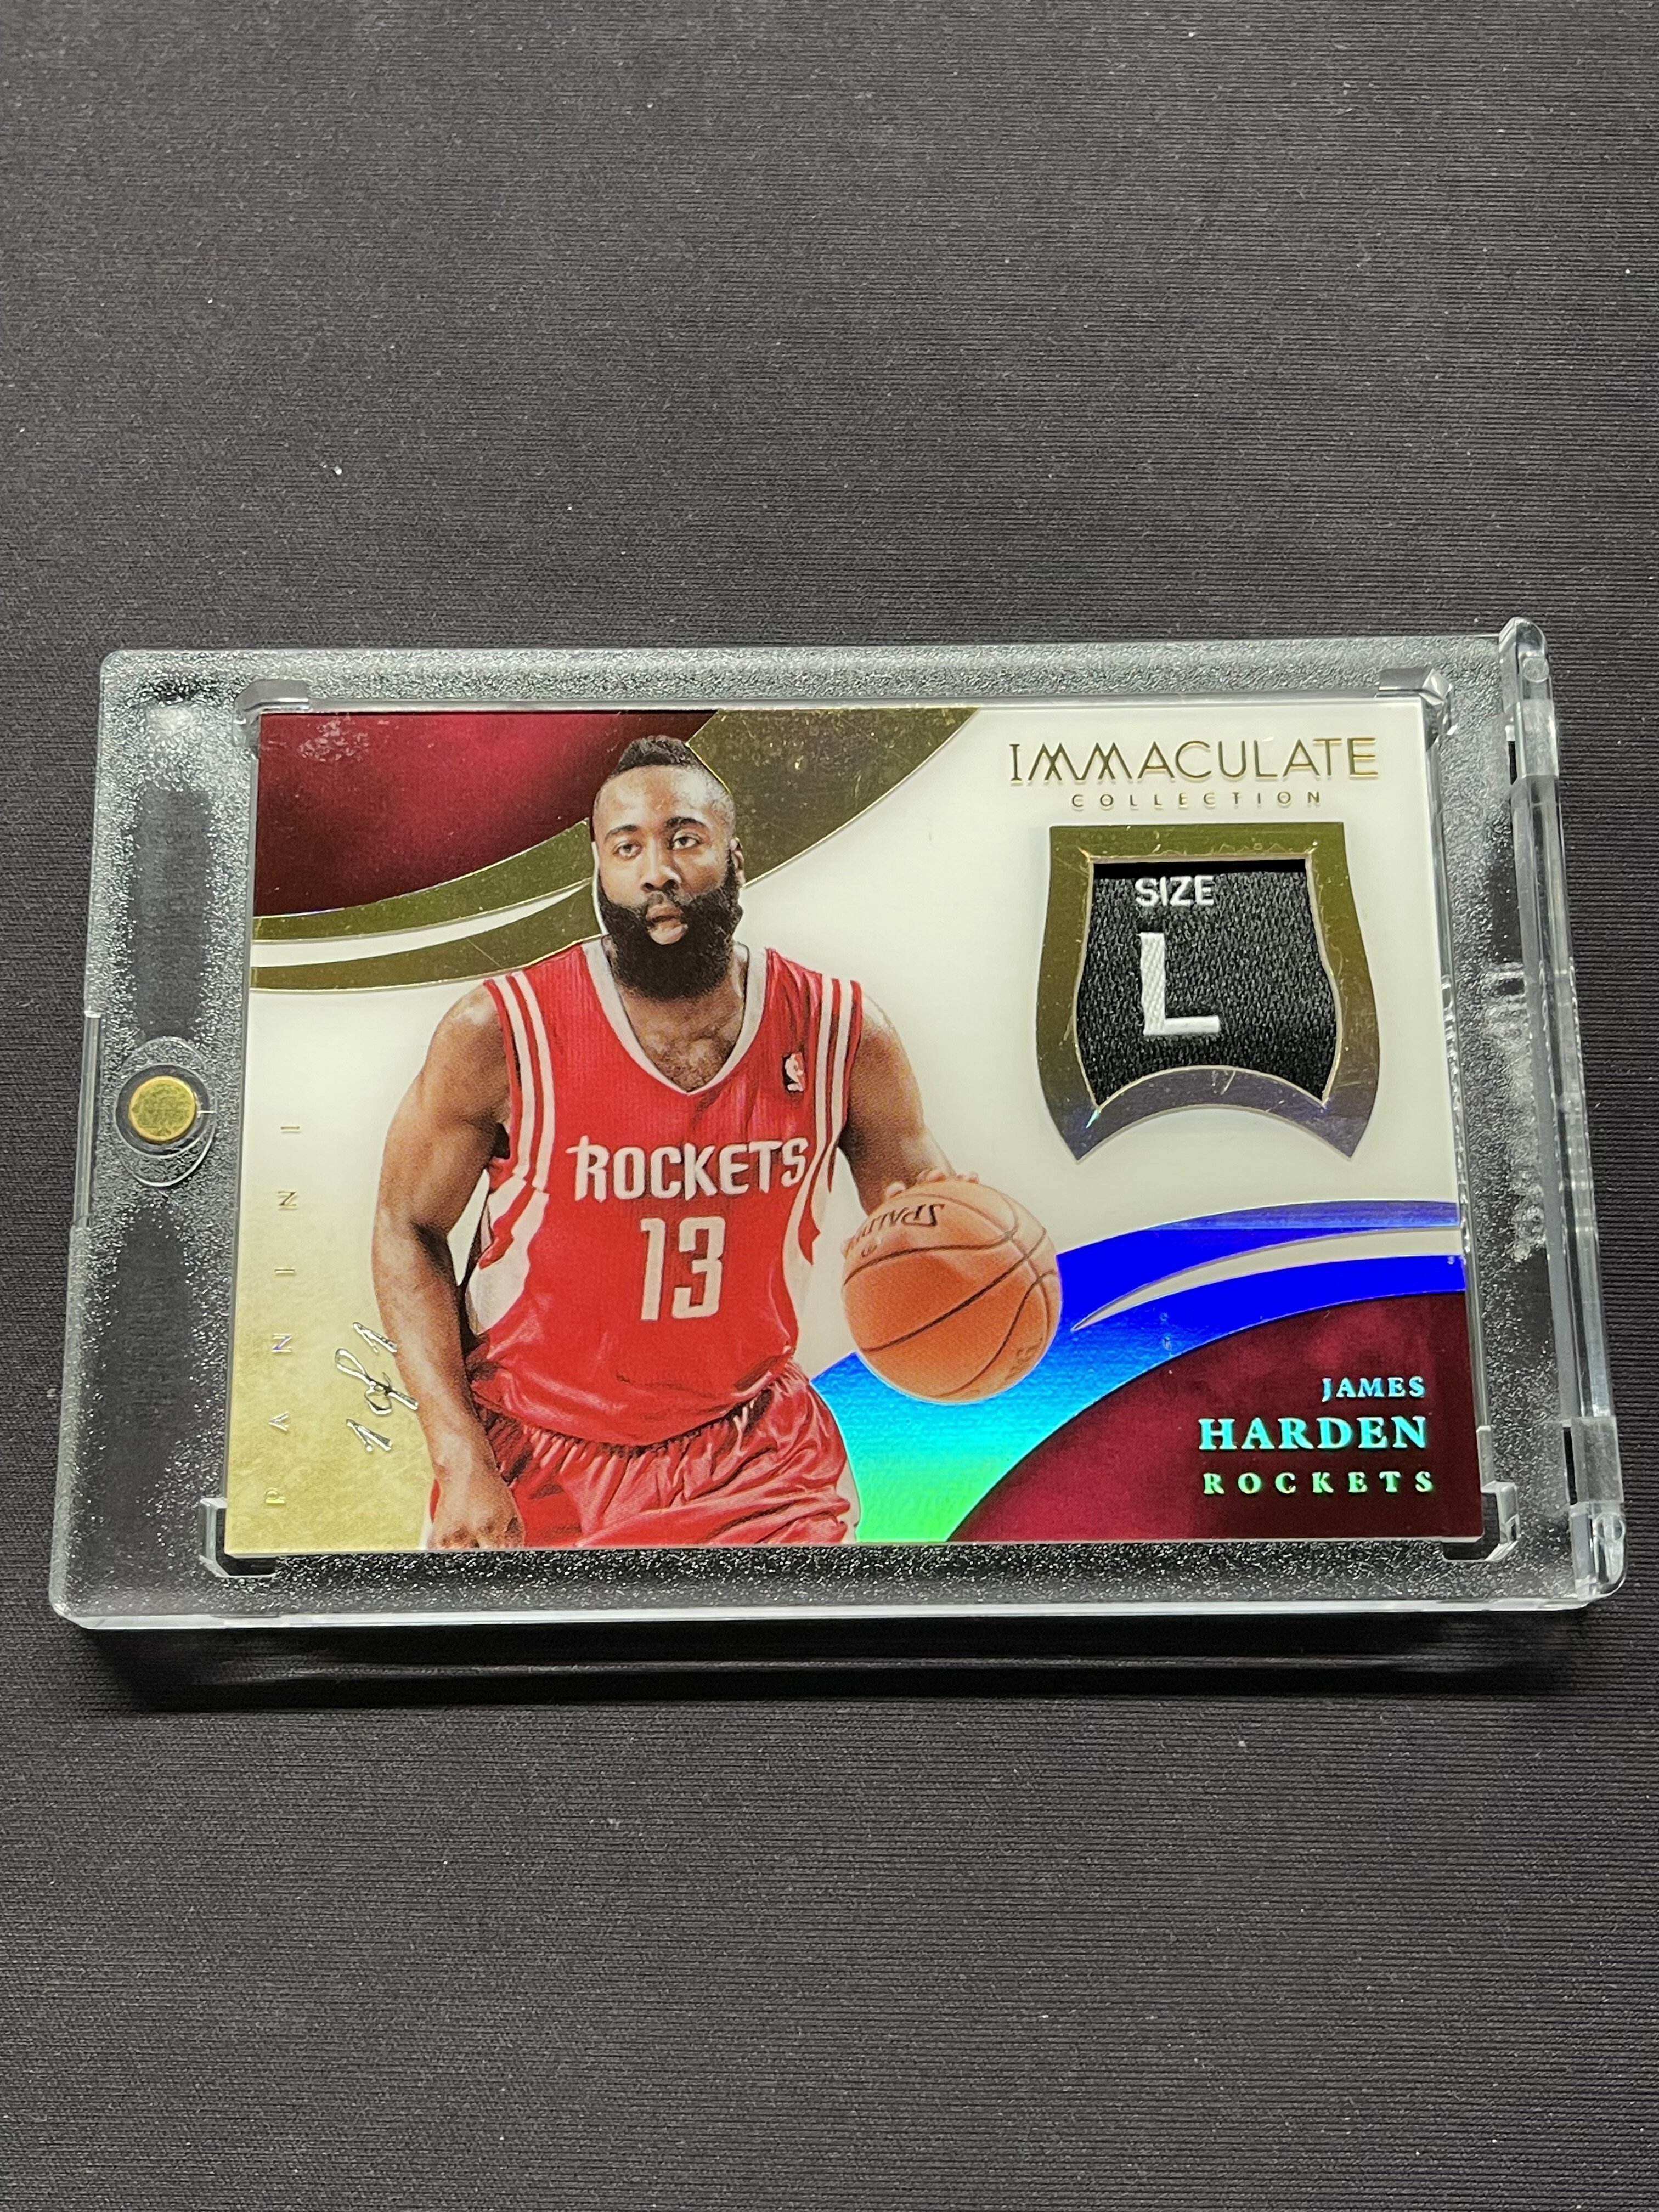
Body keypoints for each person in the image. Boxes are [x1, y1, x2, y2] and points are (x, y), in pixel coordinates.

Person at [373, 736, 955, 1550]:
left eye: (684, 839)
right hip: (541, 1452)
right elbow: (406, 1227)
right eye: (628, 848)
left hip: (756, 1454)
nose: (658, 872)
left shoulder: (841, 1033)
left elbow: (928, 1227)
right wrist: (459, 1454)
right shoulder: (502, 1031)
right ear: (599, 873)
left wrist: (976, 1269)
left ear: (734, 859)